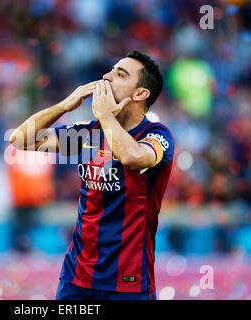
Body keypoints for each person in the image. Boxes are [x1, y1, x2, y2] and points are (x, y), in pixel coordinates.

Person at [10, 51, 174, 300]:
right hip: (77, 277)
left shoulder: (157, 135)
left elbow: (132, 157)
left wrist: (106, 115)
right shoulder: (87, 134)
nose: (107, 77)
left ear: (140, 94)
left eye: (120, 75)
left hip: (128, 282)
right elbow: (20, 139)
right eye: (111, 70)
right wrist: (66, 105)